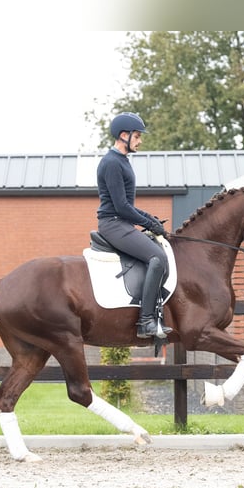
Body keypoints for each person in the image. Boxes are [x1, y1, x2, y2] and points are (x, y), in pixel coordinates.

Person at [97, 111, 173, 339]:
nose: (140, 141)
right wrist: (148, 223)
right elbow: (121, 207)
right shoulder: (111, 163)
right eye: (137, 136)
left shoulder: (122, 162)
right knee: (157, 258)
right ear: (123, 135)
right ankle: (146, 321)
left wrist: (151, 220)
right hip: (113, 224)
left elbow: (128, 206)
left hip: (122, 222)